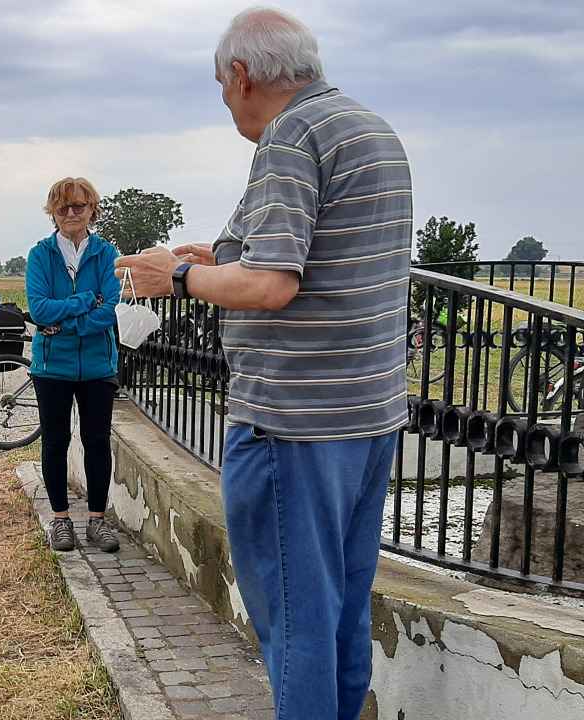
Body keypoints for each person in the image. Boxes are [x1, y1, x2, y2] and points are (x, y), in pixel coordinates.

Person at [115, 8, 411, 720]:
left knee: (294, 621)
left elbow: (274, 285)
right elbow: (320, 257)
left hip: (294, 423)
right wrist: (219, 258)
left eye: (223, 87)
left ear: (242, 74)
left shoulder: (290, 136)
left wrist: (175, 279)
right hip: (368, 417)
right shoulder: (368, 128)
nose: (226, 102)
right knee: (339, 612)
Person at [25, 177, 122, 553]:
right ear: (53, 211)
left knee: (96, 441)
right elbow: (39, 308)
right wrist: (86, 299)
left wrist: (64, 326)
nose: (70, 213)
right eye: (63, 207)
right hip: (52, 367)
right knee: (55, 441)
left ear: (91, 210)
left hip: (98, 365)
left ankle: (97, 520)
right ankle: (60, 519)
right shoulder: (40, 255)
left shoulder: (106, 254)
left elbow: (111, 308)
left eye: (78, 206)